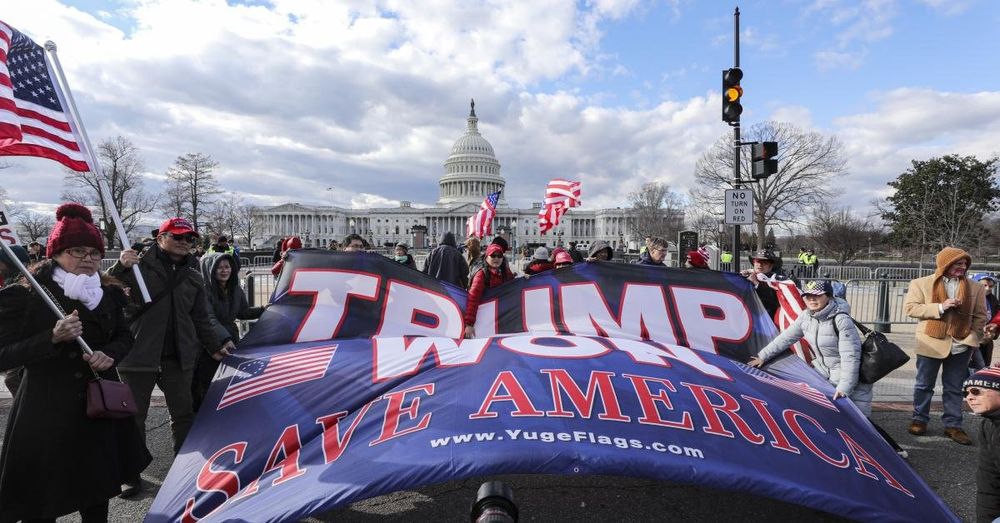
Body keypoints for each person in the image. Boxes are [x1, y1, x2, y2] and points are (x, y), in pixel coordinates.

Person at [0, 203, 150, 520]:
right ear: (56, 253)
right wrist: (51, 337)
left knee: (97, 492)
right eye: (76, 251)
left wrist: (110, 354)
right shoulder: (27, 294)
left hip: (98, 408)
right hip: (46, 410)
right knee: (42, 500)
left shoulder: (108, 292)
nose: (87, 259)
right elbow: (4, 355)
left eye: (94, 252)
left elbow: (125, 335)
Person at [107, 216, 224, 496]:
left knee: (183, 415)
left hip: (179, 356)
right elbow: (106, 290)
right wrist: (119, 267)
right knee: (134, 417)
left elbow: (201, 318)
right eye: (177, 236)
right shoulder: (135, 266)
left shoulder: (194, 276)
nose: (184, 242)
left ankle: (185, 473)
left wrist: (216, 346)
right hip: (138, 354)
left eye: (189, 238)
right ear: (160, 238)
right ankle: (130, 474)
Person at [904, 247, 987, 445]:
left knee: (955, 388)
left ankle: (953, 425)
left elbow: (981, 316)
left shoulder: (975, 287)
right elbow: (911, 308)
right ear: (946, 264)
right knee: (924, 385)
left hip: (961, 344)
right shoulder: (920, 283)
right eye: (958, 263)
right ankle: (919, 419)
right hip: (930, 343)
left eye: (965, 263)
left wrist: (973, 336)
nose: (963, 266)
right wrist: (941, 307)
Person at [193, 252, 263, 412]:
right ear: (210, 269)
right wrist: (224, 338)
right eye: (219, 267)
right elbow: (208, 318)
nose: (224, 271)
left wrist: (264, 310)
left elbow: (243, 312)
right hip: (209, 344)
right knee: (209, 385)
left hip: (230, 339)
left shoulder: (235, 288)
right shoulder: (203, 290)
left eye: (227, 267)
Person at [963, 367, 1000, 523]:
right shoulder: (987, 425)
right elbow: (989, 480)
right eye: (966, 393)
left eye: (976, 391)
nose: (969, 398)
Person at [464, 244, 513, 338]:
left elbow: (514, 286)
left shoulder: (505, 272)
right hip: (484, 318)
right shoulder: (481, 274)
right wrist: (469, 324)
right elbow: (473, 299)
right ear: (486, 257)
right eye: (493, 255)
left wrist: (524, 279)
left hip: (500, 317)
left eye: (499, 256)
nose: (496, 258)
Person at [741, 249, 789, 321]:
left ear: (771, 266)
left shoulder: (778, 280)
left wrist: (756, 283)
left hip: (769, 322)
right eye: (757, 261)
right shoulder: (745, 276)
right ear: (754, 263)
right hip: (747, 320)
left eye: (764, 262)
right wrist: (740, 278)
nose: (760, 265)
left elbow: (774, 300)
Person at [974, 273, 999, 368]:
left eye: (990, 286)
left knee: (984, 366)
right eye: (984, 285)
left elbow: (996, 318)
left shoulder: (993, 300)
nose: (988, 288)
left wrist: (993, 332)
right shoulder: (970, 298)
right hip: (972, 339)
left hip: (987, 340)